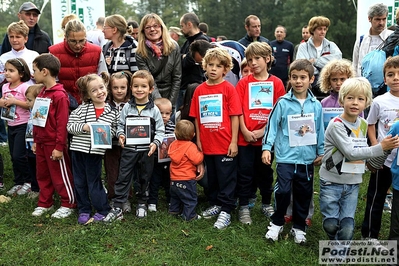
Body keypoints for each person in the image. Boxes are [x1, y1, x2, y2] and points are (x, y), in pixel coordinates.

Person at [319, 77, 399, 241]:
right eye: (350, 98)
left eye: (360, 99)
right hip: (330, 181)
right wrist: (381, 147)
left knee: (348, 225)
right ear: (342, 100)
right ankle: (334, 238)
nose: (355, 103)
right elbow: (351, 152)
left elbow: (362, 150)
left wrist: (373, 161)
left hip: (353, 182)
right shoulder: (336, 125)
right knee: (331, 224)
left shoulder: (363, 124)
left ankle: (339, 254)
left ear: (367, 103)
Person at [262, 59, 324, 244]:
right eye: (294, 77)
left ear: (311, 79)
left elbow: (319, 129)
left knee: (304, 192)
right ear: (289, 78)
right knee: (283, 191)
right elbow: (271, 126)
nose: (298, 81)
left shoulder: (316, 105)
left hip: (306, 160)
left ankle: (299, 226)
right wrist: (267, 148)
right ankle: (277, 223)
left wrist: (320, 151)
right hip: (285, 157)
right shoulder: (282, 103)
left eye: (303, 77)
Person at [189, 47, 242, 229]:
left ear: (225, 70)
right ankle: (216, 203)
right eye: (210, 65)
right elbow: (196, 117)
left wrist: (234, 141)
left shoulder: (229, 89)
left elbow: (235, 115)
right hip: (207, 143)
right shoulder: (199, 90)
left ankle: (227, 209)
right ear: (205, 66)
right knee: (212, 178)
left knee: (226, 177)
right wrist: (199, 140)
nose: (213, 69)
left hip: (225, 142)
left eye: (218, 66)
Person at [104, 70, 165, 222]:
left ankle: (142, 203)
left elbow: (160, 130)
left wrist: (155, 143)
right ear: (131, 88)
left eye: (143, 86)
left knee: (144, 177)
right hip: (129, 150)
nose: (139, 89)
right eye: (136, 86)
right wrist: (121, 135)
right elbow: (120, 125)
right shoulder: (127, 108)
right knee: (123, 177)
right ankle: (118, 206)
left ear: (150, 89)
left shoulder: (154, 109)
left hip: (146, 151)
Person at [235, 42, 285, 225]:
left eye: (257, 58)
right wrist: (245, 131)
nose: (253, 63)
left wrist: (263, 131)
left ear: (268, 59)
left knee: (265, 172)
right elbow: (237, 110)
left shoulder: (277, 83)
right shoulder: (243, 83)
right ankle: (243, 206)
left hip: (266, 139)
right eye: (249, 59)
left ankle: (265, 202)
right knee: (245, 172)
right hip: (245, 138)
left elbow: (279, 112)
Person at [67, 72, 119, 225]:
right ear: (88, 95)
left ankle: (102, 209)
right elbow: (70, 127)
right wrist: (84, 127)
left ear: (106, 88)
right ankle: (84, 209)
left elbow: (115, 131)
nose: (99, 92)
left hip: (95, 152)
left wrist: (107, 131)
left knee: (94, 181)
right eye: (94, 90)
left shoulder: (113, 112)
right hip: (78, 150)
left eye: (101, 88)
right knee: (79, 181)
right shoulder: (82, 110)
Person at [31, 53, 76, 218]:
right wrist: (36, 140)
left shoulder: (59, 95)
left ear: (44, 72)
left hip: (54, 144)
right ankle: (45, 202)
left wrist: (59, 146)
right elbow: (38, 119)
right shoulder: (42, 92)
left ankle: (68, 202)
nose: (32, 74)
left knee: (60, 174)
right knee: (42, 174)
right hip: (42, 142)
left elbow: (62, 124)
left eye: (34, 70)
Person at [360, 56, 399, 241]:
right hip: (384, 160)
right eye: (391, 75)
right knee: (376, 197)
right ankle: (369, 236)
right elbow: (371, 124)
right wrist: (375, 145)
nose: (396, 78)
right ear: (385, 79)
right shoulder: (379, 101)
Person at [49, 19, 107, 105]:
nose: (78, 45)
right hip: (64, 102)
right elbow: (51, 82)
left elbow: (103, 78)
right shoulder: (54, 52)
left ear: (86, 37)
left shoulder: (96, 51)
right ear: (65, 37)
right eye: (73, 41)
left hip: (91, 102)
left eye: (81, 41)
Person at [136, 13, 181, 109]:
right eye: (148, 27)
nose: (152, 29)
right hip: (151, 94)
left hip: (171, 94)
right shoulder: (140, 52)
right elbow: (148, 80)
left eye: (155, 26)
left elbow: (177, 77)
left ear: (161, 27)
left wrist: (170, 104)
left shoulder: (174, 47)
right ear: (143, 31)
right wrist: (160, 104)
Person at [0, 58, 31, 195]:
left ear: (21, 73)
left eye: (11, 71)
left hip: (23, 125)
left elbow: (30, 105)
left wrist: (15, 101)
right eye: (6, 70)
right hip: (10, 124)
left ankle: (28, 181)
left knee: (19, 155)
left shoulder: (25, 87)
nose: (7, 73)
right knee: (13, 155)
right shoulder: (5, 87)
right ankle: (18, 182)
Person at [296, 16, 342, 101]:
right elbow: (302, 66)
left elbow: (338, 60)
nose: (323, 32)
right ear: (313, 30)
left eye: (325, 29)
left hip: (329, 85)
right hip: (309, 86)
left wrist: (315, 61)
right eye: (320, 29)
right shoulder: (303, 47)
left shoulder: (331, 45)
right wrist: (326, 65)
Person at [104, 71, 132, 202]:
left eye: (123, 87)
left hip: (128, 144)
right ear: (110, 88)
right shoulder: (106, 105)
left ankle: (126, 197)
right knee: (112, 171)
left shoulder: (132, 105)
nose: (119, 91)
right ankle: (113, 196)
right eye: (115, 88)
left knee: (126, 171)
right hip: (110, 145)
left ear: (128, 88)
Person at [168, 119, 203, 220]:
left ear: (175, 132)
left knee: (175, 197)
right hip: (187, 178)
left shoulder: (173, 145)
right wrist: (201, 153)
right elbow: (197, 160)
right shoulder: (190, 146)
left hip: (174, 178)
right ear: (193, 135)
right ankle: (189, 216)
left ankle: (173, 210)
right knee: (190, 198)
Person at [177, 12, 209, 112]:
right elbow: (179, 59)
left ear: (189, 24)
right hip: (184, 85)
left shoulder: (201, 42)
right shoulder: (187, 42)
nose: (182, 30)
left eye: (182, 26)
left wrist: (185, 57)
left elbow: (186, 63)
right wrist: (183, 57)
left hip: (193, 86)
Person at [148, 98, 175, 212]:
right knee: (154, 181)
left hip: (168, 159)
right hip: (155, 160)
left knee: (169, 180)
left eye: (167, 113)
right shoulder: (151, 127)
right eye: (161, 113)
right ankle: (152, 201)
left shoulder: (172, 127)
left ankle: (170, 200)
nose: (164, 116)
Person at [352, 3, 393, 77]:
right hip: (362, 85)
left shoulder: (392, 38)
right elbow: (355, 66)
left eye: (384, 19)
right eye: (377, 19)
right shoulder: (361, 40)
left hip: (386, 85)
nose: (381, 23)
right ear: (369, 18)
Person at [25, 83, 44, 199]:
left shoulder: (40, 113)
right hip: (29, 146)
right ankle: (35, 188)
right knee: (32, 167)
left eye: (29, 100)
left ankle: (41, 189)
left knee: (40, 169)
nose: (27, 103)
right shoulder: (30, 112)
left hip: (38, 147)